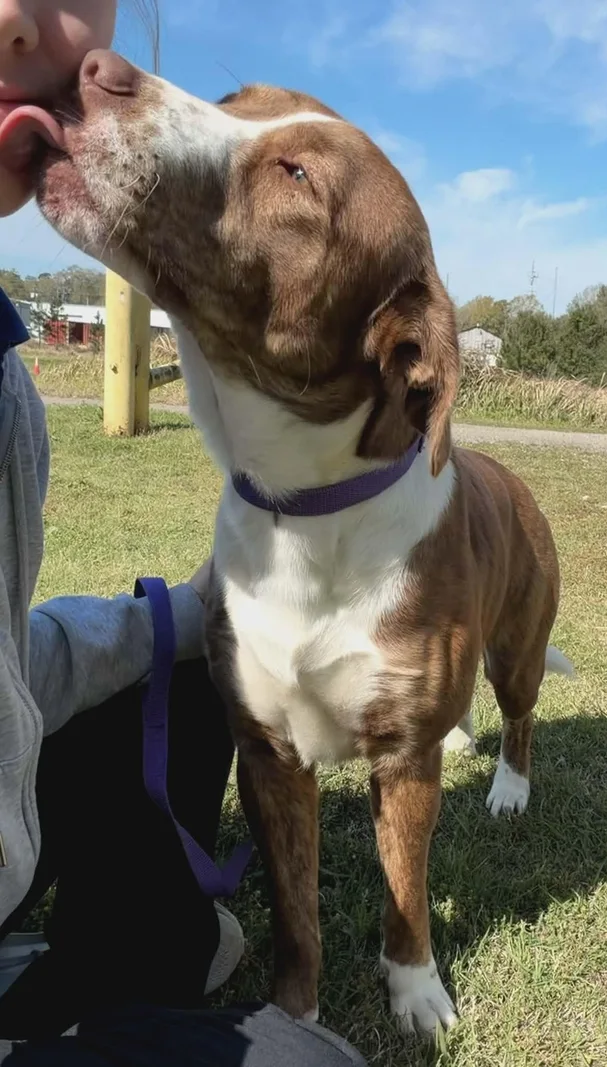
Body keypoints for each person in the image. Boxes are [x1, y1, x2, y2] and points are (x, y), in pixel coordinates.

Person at [0, 2, 365, 1063]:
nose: (24, 17)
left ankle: (119, 953)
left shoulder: (8, 383)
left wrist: (170, 618)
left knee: (192, 652)